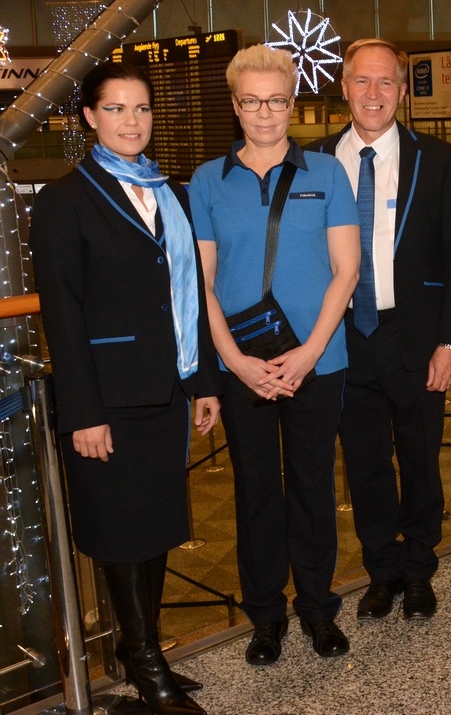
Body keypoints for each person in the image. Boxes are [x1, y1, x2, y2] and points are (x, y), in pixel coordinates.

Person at [32, 62, 219, 715]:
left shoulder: (171, 194)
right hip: (107, 398)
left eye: (141, 109)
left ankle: (142, 648)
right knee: (119, 532)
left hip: (166, 389)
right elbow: (62, 313)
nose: (131, 121)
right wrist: (82, 412)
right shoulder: (64, 200)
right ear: (89, 117)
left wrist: (202, 382)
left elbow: (188, 297)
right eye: (115, 109)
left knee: (156, 526)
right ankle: (144, 660)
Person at [189, 45, 360, 663]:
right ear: (235, 107)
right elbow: (202, 284)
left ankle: (317, 607)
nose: (265, 113)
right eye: (252, 101)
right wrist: (234, 362)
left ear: (293, 103)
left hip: (317, 361)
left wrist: (310, 353)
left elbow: (346, 272)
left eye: (277, 100)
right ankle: (265, 616)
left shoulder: (327, 174)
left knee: (314, 485)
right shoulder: (208, 181)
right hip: (243, 365)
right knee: (256, 489)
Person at [307, 38, 451, 621]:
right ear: (344, 87)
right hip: (343, 340)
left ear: (402, 92)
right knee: (365, 463)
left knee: (421, 459)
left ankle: (420, 568)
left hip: (417, 337)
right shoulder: (315, 160)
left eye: (385, 82)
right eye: (362, 80)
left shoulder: (438, 159)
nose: (373, 93)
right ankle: (381, 570)